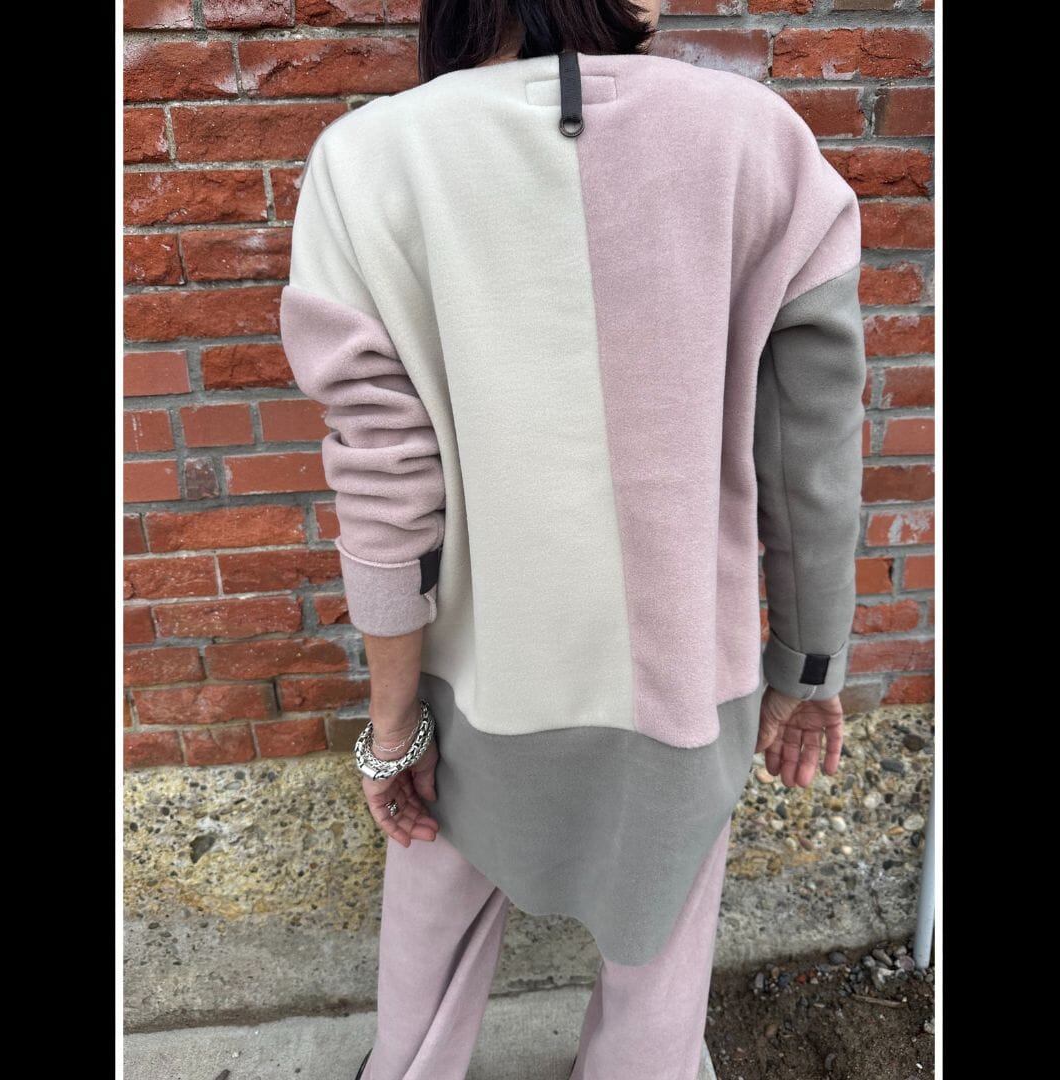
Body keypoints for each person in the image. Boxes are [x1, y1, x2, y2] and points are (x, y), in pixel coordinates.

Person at [278, 1, 866, 1077]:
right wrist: (807, 666)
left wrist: (396, 727)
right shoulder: (761, 146)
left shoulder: (364, 163)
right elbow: (811, 448)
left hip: (476, 691)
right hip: (686, 686)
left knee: (427, 951)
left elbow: (386, 486)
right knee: (659, 979)